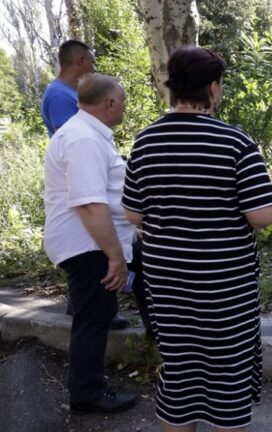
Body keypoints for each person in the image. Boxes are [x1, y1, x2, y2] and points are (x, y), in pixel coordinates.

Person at [122, 45, 272, 432]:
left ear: (174, 89)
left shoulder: (146, 141)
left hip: (167, 281)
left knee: (179, 369)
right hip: (224, 285)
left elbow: (132, 213)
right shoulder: (235, 142)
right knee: (227, 372)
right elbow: (262, 215)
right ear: (213, 88)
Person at [43, 73, 138, 415]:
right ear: (110, 104)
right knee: (91, 320)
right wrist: (115, 257)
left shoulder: (87, 134)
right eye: (123, 101)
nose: (125, 107)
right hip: (87, 246)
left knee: (98, 312)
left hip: (93, 242)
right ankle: (87, 393)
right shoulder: (83, 139)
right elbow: (89, 203)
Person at [41, 40, 95, 137]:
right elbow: (69, 142)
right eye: (92, 63)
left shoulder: (69, 91)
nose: (94, 68)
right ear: (81, 61)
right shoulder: (59, 96)